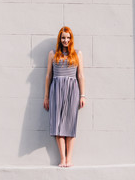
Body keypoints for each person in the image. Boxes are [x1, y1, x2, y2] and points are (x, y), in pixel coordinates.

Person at [43, 26, 86, 168]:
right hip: (56, 90)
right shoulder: (52, 54)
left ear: (71, 39)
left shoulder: (77, 54)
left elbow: (80, 75)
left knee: (70, 124)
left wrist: (82, 95)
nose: (65, 40)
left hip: (72, 90)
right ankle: (62, 159)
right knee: (58, 124)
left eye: (68, 37)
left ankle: (69, 158)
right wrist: (46, 97)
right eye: (63, 37)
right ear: (59, 39)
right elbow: (48, 76)